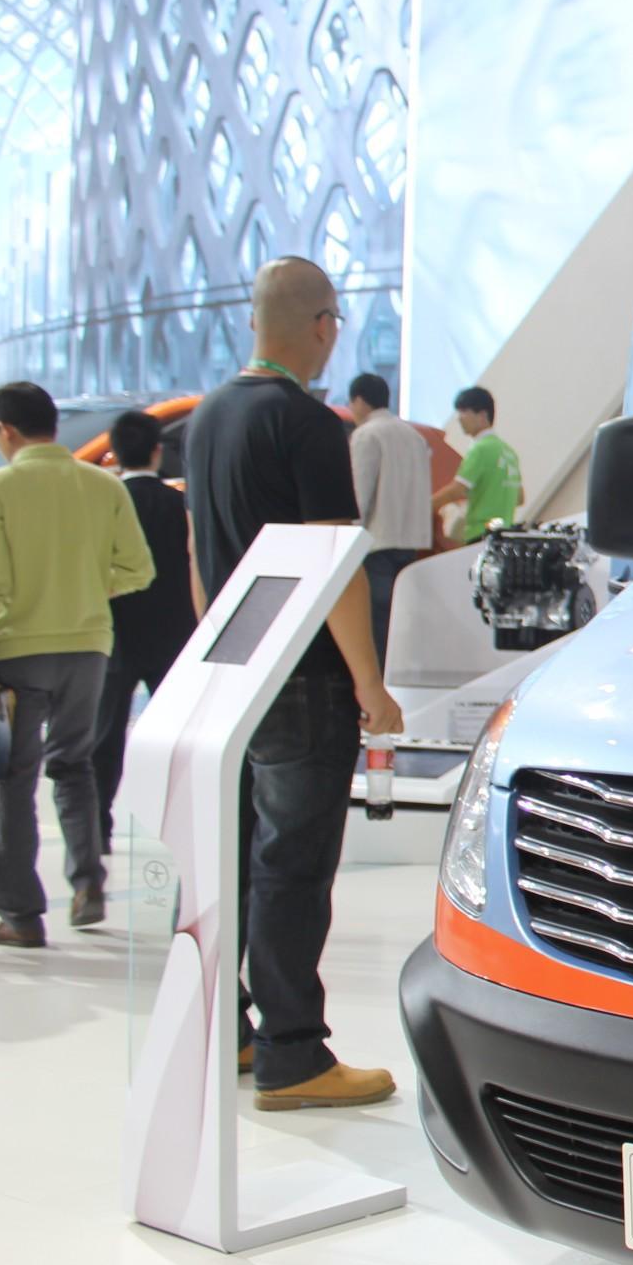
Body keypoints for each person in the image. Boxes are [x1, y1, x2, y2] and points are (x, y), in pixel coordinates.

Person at [187, 256, 404, 1108]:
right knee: (293, 866)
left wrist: (215, 652)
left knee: (241, 856)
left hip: (236, 670)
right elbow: (334, 569)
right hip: (305, 680)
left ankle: (233, 1031)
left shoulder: (208, 417)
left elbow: (201, 557)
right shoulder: (309, 424)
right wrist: (370, 684)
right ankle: (293, 1054)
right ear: (323, 327)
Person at [0, 383, 152, 947]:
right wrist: (90, 589)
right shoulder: (104, 485)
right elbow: (138, 569)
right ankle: (87, 881)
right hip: (89, 648)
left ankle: (20, 916)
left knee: (15, 782)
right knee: (74, 765)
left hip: (15, 652)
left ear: (5, 431)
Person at [92, 411, 197, 848]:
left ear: (115, 453)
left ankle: (97, 828)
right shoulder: (178, 503)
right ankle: (182, 826)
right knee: (177, 736)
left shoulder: (105, 503)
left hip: (116, 633)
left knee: (105, 734)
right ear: (157, 451)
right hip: (174, 633)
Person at [346, 371, 429, 664]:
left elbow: (360, 493)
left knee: (378, 623)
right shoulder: (414, 436)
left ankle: (380, 682)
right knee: (402, 621)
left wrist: (349, 538)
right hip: (411, 541)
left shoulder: (366, 434)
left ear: (359, 401)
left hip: (377, 542)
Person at [432, 386, 522, 543]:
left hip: (480, 532)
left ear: (482, 415)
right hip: (505, 533)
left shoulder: (480, 449)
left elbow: (457, 490)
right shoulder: (509, 452)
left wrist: (427, 506)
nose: (459, 418)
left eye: (464, 412)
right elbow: (520, 497)